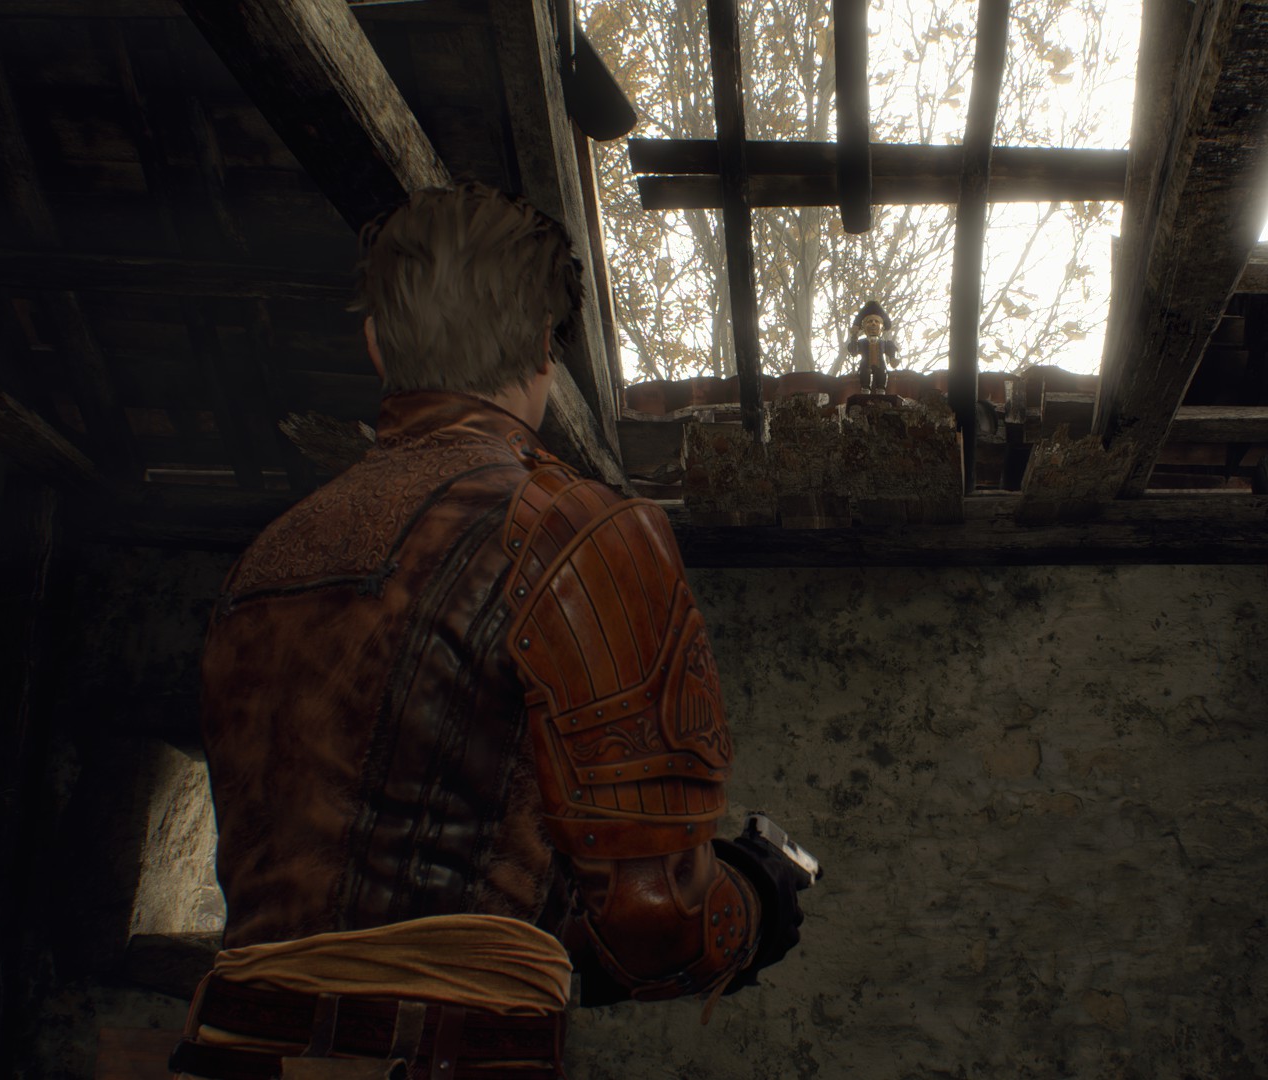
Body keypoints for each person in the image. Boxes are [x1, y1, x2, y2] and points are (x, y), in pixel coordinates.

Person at [172, 182, 806, 1079]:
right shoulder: (575, 531)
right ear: (545, 345)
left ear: (377, 342)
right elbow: (657, 918)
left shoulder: (269, 554)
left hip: (224, 1054)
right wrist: (759, 895)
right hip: (432, 1059)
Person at [846, 300, 899, 393]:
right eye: (870, 321)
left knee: (882, 374)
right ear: (864, 327)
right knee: (865, 374)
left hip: (881, 367)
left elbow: (890, 349)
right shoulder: (862, 342)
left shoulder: (884, 343)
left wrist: (892, 358)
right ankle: (865, 390)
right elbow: (854, 351)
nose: (873, 323)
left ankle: (881, 390)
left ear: (882, 328)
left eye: (877, 321)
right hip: (865, 366)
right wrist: (854, 336)